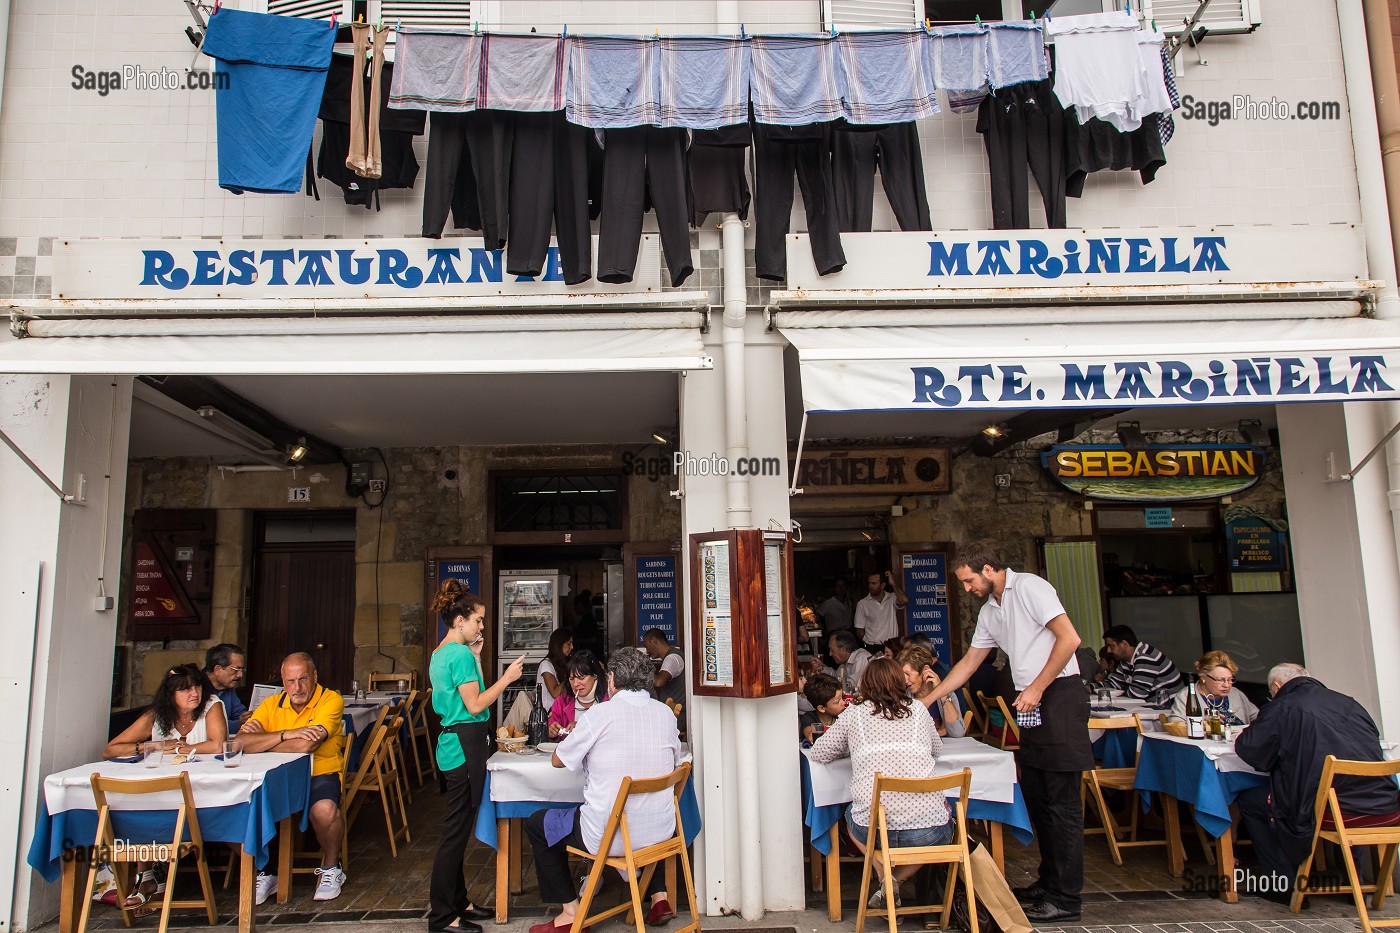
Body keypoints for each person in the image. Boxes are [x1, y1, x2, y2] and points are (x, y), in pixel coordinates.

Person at [926, 543, 1091, 923]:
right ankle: (1049, 883)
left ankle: (1067, 898)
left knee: (1062, 803)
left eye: (968, 581)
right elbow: (970, 661)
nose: (966, 589)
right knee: (1037, 795)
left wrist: (1035, 688)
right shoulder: (990, 611)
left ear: (988, 569)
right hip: (1030, 702)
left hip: (1058, 696)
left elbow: (1070, 639)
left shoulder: (1031, 587)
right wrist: (929, 699)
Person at [524, 648, 684, 933]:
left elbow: (558, 759)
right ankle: (657, 895)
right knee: (635, 811)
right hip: (660, 833)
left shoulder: (600, 714)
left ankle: (570, 914)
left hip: (609, 835)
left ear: (611, 680)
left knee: (539, 823)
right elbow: (673, 765)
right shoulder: (665, 714)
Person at [1234, 663, 1400, 897]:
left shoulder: (1283, 705)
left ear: (1277, 686)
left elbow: (1250, 749)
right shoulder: (1350, 703)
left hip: (1331, 809)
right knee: (1344, 791)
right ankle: (1356, 888)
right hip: (1383, 806)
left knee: (1251, 800)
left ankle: (1280, 886)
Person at [809, 657, 952, 910]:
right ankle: (893, 882)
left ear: (867, 684)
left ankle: (887, 882)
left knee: (850, 815)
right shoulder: (919, 710)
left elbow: (820, 752)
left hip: (874, 829)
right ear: (900, 682)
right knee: (945, 827)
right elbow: (937, 749)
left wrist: (852, 747)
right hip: (928, 831)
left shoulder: (854, 714)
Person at [428, 579, 525, 933]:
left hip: (454, 742)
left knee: (457, 828)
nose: (482, 626)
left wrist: (479, 657)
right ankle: (442, 916)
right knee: (455, 833)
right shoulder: (457, 655)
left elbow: (472, 694)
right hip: (465, 743)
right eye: (478, 620)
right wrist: (509, 678)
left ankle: (459, 901)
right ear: (459, 621)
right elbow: (477, 704)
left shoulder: (444, 653)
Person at [104, 663, 230, 907]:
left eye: (196, 687)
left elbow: (217, 745)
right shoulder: (157, 715)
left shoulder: (211, 705)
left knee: (151, 811)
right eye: (185, 690)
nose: (194, 694)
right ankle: (148, 877)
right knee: (140, 807)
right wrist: (153, 746)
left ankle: (148, 878)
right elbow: (111, 749)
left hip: (201, 792)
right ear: (170, 695)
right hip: (163, 790)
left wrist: (181, 747)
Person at [238, 652, 347, 905]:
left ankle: (332, 866)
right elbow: (241, 742)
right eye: (290, 681)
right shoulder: (271, 704)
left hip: (317, 773)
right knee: (242, 809)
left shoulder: (330, 699)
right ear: (282, 682)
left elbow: (306, 747)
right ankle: (266, 870)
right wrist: (287, 734)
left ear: (315, 677)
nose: (296, 688)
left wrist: (265, 741)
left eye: (303, 679)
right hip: (275, 778)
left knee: (325, 810)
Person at [1167, 650, 1259, 726]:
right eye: (1220, 680)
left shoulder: (1235, 693)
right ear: (1203, 677)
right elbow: (1174, 723)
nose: (1227, 685)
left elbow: (1258, 717)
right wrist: (1202, 725)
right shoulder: (1187, 696)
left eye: (1230, 680)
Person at [1098, 625, 1186, 700]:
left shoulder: (1145, 657)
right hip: (1151, 709)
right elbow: (1113, 684)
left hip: (1168, 711)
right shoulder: (1125, 660)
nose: (1109, 651)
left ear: (1124, 644)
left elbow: (1137, 694)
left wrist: (1121, 691)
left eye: (1111, 646)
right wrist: (1090, 688)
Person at [897, 645, 966, 737]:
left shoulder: (948, 694)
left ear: (925, 670)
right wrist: (937, 733)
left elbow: (958, 733)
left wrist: (942, 694)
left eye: (907, 674)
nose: (905, 680)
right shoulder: (902, 697)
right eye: (902, 675)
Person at [548, 649, 608, 738]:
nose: (576, 684)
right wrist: (551, 733)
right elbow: (550, 735)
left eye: (581, 678)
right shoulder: (561, 702)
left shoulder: (609, 701)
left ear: (595, 676)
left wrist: (582, 727)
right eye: (571, 679)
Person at [855, 570, 908, 652]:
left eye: (874, 583)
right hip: (873, 647)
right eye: (869, 583)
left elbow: (904, 600)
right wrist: (869, 642)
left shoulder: (892, 598)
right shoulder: (862, 604)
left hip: (892, 646)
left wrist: (893, 583)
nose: (870, 586)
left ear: (882, 585)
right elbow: (859, 630)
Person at [202, 643, 248, 723]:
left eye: (242, 670)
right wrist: (239, 724)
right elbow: (207, 726)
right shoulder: (195, 688)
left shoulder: (228, 686)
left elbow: (241, 715)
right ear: (217, 670)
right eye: (235, 670)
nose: (240, 675)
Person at [642, 628, 685, 712]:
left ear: (654, 641)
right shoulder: (673, 656)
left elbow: (659, 682)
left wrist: (640, 673)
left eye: (647, 646)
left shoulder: (672, 658)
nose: (647, 651)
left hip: (677, 714)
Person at [799, 672, 847, 743]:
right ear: (821, 708)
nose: (843, 703)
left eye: (842, 698)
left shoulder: (844, 715)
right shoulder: (810, 718)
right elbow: (811, 737)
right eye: (837, 702)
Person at [537, 628, 574, 708]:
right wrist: (571, 674)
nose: (572, 647)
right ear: (559, 644)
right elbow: (555, 693)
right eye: (569, 643)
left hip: (562, 708)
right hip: (550, 713)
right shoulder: (546, 665)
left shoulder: (561, 663)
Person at [829, 629, 872, 696]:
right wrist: (822, 668)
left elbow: (853, 686)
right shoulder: (845, 662)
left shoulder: (862, 657)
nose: (830, 654)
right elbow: (836, 677)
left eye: (832, 650)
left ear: (843, 649)